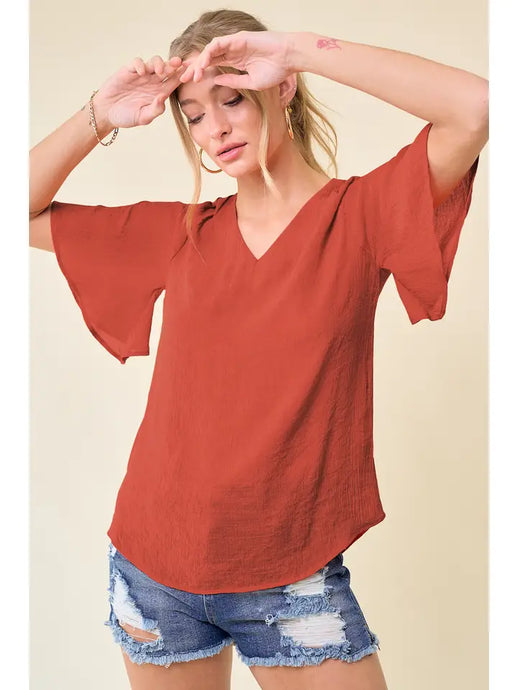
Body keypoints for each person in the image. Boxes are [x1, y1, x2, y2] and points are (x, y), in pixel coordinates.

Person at [29, 8, 488, 690]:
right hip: (155, 569)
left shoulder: (360, 217)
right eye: (193, 114)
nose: (213, 128)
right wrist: (100, 112)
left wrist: (297, 50)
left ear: (282, 89)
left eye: (232, 99)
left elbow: (475, 108)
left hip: (291, 578)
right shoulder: (182, 234)